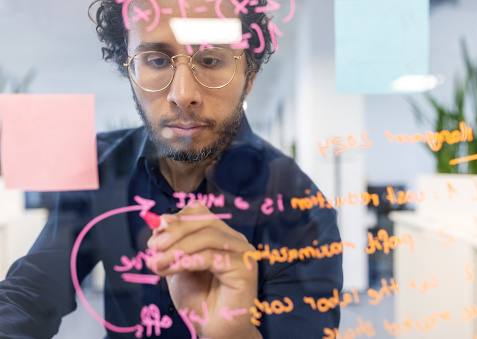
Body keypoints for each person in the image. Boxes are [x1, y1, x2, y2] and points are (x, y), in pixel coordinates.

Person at [0, 0, 343, 338]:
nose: (183, 94)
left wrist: (234, 333)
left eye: (210, 59)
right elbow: (32, 292)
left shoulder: (301, 207)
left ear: (249, 77)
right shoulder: (99, 166)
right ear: (130, 72)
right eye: (157, 60)